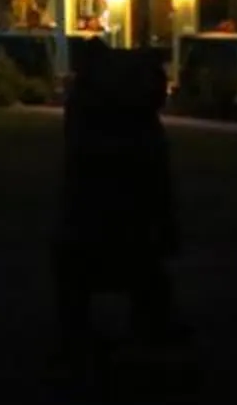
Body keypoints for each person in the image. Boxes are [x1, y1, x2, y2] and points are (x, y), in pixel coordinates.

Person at [51, 41, 187, 379]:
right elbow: (156, 181)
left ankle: (85, 342)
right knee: (143, 277)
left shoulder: (90, 113)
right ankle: (137, 338)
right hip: (123, 227)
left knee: (86, 277)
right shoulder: (136, 125)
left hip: (94, 226)